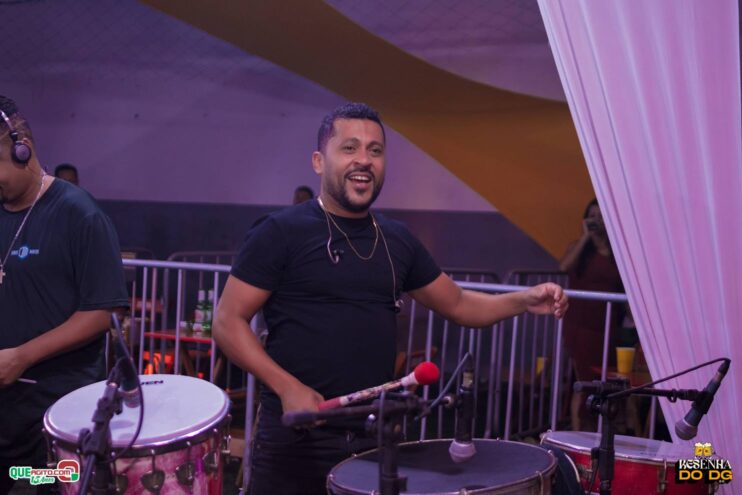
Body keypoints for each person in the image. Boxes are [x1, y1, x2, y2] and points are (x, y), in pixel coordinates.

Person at [213, 102, 569, 495]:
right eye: (349, 148)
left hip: (373, 441)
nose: (364, 160)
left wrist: (522, 300)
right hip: (296, 443)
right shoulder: (279, 232)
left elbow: (459, 304)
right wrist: (286, 387)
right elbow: (227, 322)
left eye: (375, 150)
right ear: (318, 161)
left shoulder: (397, 240)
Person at [0, 96, 128, 494]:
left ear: (22, 149)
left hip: (57, 413)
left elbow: (101, 312)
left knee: (45, 482)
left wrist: (21, 356)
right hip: (5, 414)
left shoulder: (79, 214)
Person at [559, 198, 624, 431]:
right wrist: (586, 237)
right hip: (580, 326)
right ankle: (578, 434)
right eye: (591, 216)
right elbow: (564, 267)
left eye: (600, 216)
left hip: (608, 327)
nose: (596, 220)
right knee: (585, 382)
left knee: (606, 383)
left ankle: (601, 432)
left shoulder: (617, 252)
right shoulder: (579, 249)